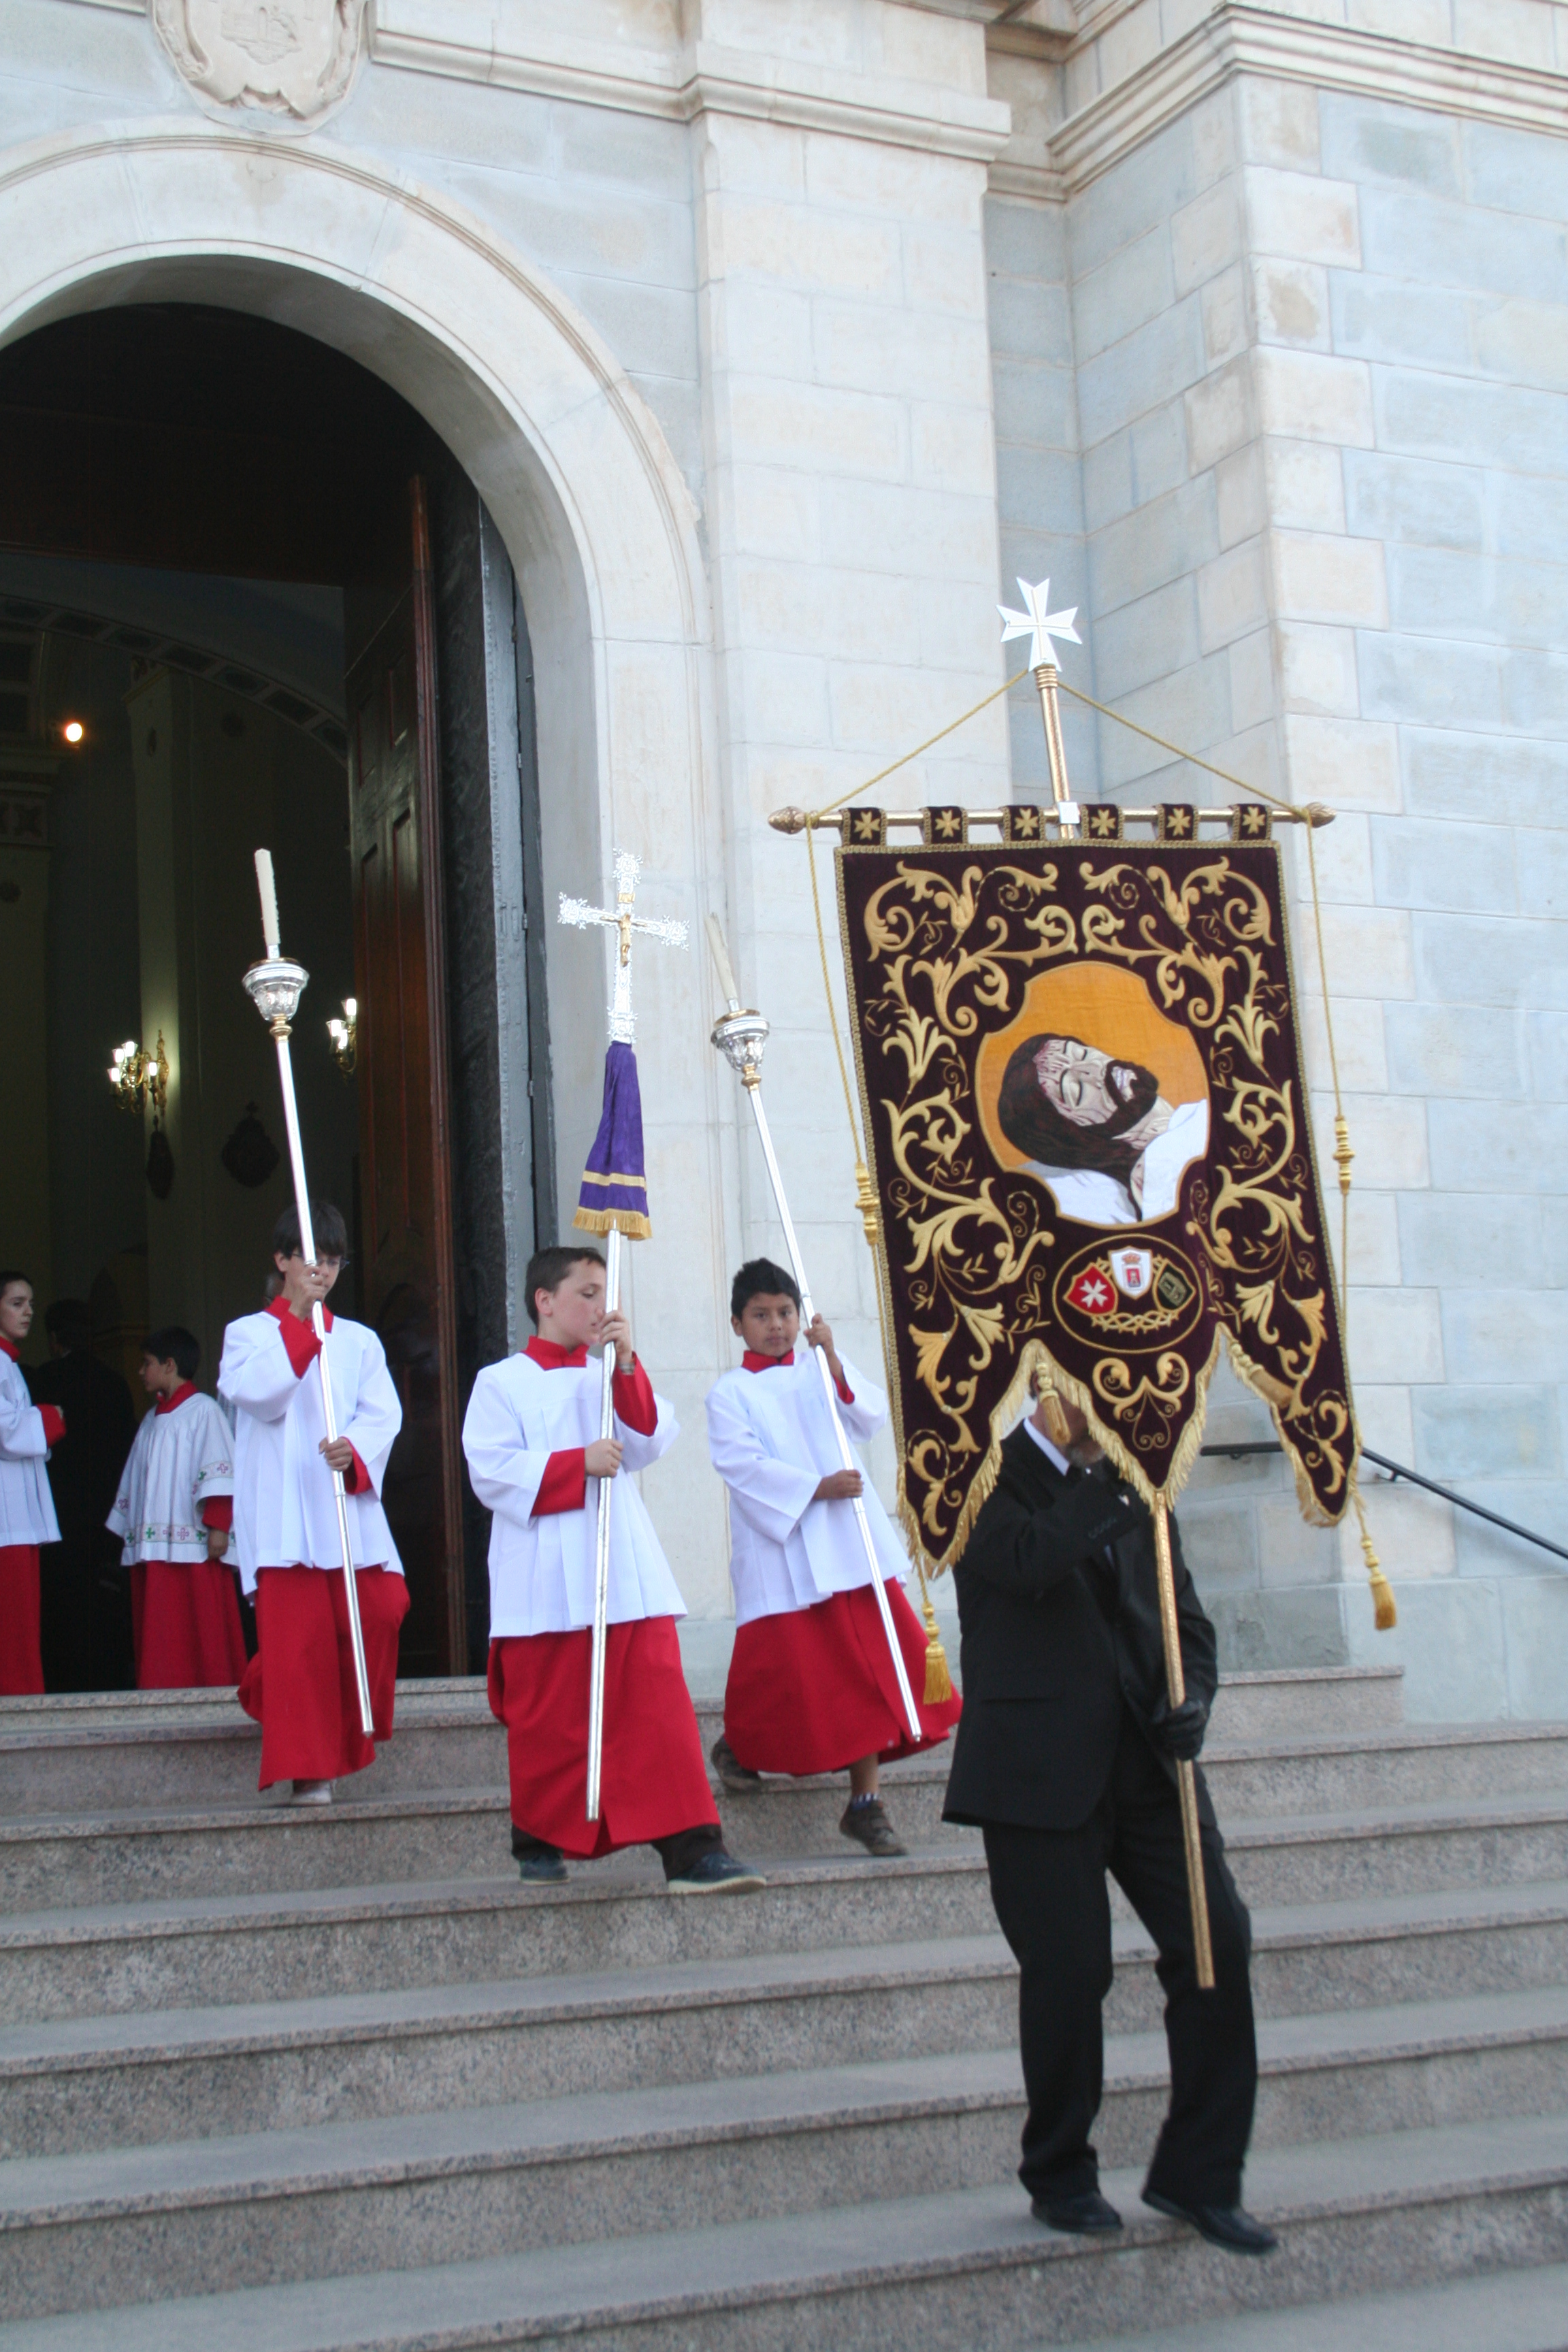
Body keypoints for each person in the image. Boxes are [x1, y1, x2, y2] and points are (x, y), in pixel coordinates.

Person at [944, 1378, 1275, 2257]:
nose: (1128, 1410)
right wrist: (1116, 1486)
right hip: (1038, 1771)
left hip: (1149, 1765)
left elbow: (1185, 1620)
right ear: (1052, 1387)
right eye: (1107, 1389)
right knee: (1069, 1972)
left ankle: (1201, 2174)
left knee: (1218, 1943)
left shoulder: (1133, 1480)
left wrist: (1193, 1700)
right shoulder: (976, 1475)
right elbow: (1028, 1561)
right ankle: (1060, 2171)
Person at [463, 1243, 762, 1894]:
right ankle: (539, 1838)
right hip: (543, 1575)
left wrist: (626, 1362)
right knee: (550, 1720)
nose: (603, 1307)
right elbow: (490, 1471)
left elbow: (649, 1438)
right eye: (588, 1293)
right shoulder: (501, 1382)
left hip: (622, 1572)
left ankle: (694, 1850)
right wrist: (577, 1464)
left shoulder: (609, 1373)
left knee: (658, 1709)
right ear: (545, 1301)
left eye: (607, 1294)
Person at [705, 1257, 961, 1855]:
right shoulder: (729, 1393)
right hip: (786, 1552)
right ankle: (740, 1745)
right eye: (761, 1315)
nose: (777, 1325)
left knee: (865, 1675)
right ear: (738, 1324)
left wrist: (835, 1359)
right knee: (783, 1679)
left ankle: (865, 1804)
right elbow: (742, 1467)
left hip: (850, 1547)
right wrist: (815, 1489)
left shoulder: (820, 1368)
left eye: (786, 1313)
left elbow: (869, 1417)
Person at [219, 1204, 408, 1803]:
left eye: (332, 1261)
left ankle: (265, 1682)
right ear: (282, 1261)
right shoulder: (247, 1334)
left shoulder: (359, 1341)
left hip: (343, 1505)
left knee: (382, 1610)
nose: (321, 1271)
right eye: (310, 1259)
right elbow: (260, 1395)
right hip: (284, 1511)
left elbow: (384, 1414)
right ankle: (311, 1770)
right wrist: (298, 1322)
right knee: (300, 1641)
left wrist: (355, 1448)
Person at [108, 1325, 246, 1690]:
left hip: (195, 1545)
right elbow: (136, 1479)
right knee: (160, 1628)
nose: (141, 1371)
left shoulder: (205, 1412)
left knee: (200, 1624)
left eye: (147, 1363)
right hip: (155, 1547)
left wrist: (219, 1525)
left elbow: (222, 1468)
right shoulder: (151, 1420)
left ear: (169, 1365)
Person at [28, 1297, 137, 1690]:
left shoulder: (43, 1380)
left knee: (59, 1609)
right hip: (105, 1517)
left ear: (54, 1339)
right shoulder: (115, 1383)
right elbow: (128, 1451)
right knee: (103, 1606)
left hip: (55, 1516)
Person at [997, 1032, 1209, 1226]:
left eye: (1082, 1054)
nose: (1096, 1069)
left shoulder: (1203, 1117)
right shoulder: (1157, 1181)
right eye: (1078, 1090)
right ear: (1075, 1135)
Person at [0, 1273, 63, 1696]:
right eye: (17, 1303)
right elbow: (6, 1430)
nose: (28, 1312)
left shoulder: (10, 1364)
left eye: (31, 1304)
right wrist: (51, 1417)